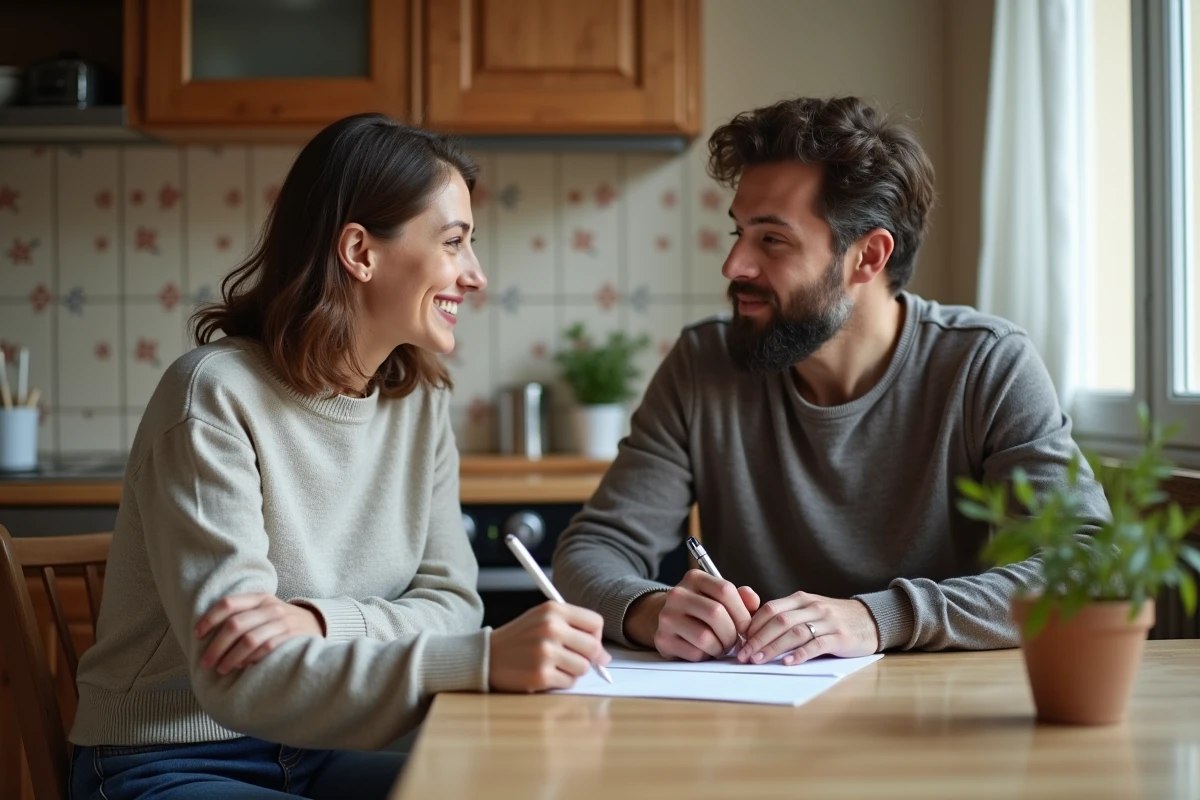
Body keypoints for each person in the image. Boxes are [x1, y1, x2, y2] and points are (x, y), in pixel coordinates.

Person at [69, 114, 611, 800]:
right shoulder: (212, 395)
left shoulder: (419, 404)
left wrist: (320, 620)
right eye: (454, 242)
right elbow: (239, 675)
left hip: (324, 749)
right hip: (173, 759)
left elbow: (452, 604)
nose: (474, 275)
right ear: (360, 252)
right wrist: (476, 662)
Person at [552, 96, 1110, 667]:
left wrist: (877, 618)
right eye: (738, 233)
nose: (734, 265)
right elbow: (593, 550)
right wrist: (649, 609)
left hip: (936, 719)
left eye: (771, 240)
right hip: (751, 712)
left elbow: (1085, 562)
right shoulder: (703, 366)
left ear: (868, 256)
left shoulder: (986, 365)